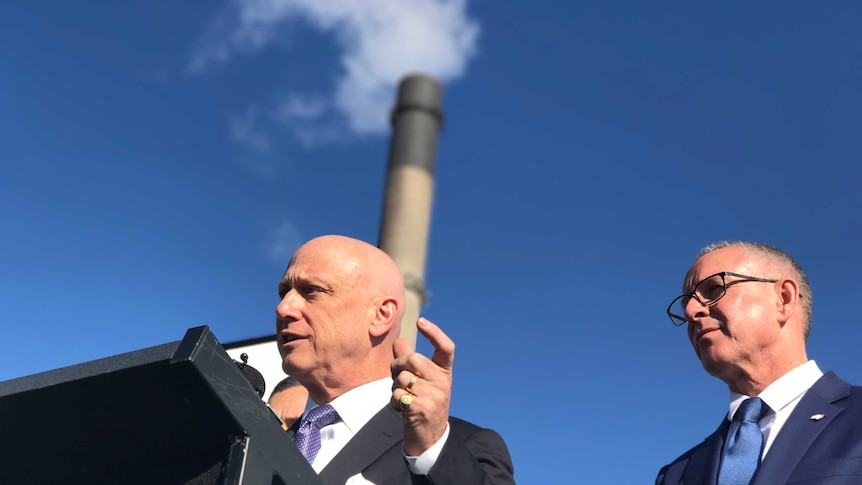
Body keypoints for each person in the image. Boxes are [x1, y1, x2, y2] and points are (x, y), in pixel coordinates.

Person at [275, 235, 515, 485]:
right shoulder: (253, 436)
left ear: (381, 315)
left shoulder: (460, 446)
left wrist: (432, 451)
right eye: (283, 292)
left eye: (311, 290)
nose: (283, 308)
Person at [656, 241, 862, 485]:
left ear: (783, 299)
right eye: (686, 303)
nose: (691, 311)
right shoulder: (677, 475)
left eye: (713, 289)